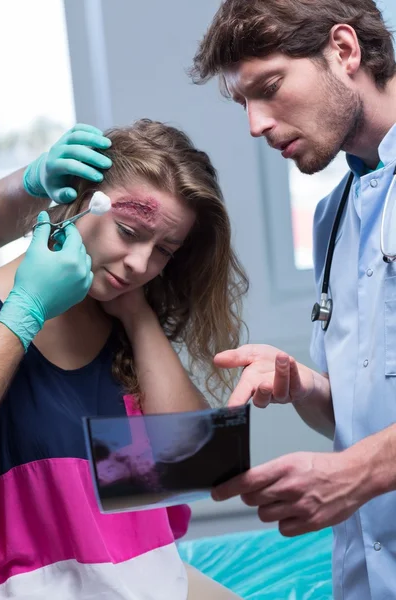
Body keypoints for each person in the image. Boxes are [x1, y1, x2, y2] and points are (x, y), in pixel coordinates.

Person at [191, 0, 396, 598]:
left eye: (270, 87)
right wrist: (306, 386)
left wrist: (354, 473)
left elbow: (362, 458)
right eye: (242, 103)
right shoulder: (334, 217)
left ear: (344, 50)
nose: (255, 124)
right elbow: (361, 413)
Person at [0, 119, 247, 599]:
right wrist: (26, 314)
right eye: (129, 231)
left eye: (164, 251)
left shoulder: (123, 325)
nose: (140, 265)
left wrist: (138, 317)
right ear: (74, 197)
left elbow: (196, 468)